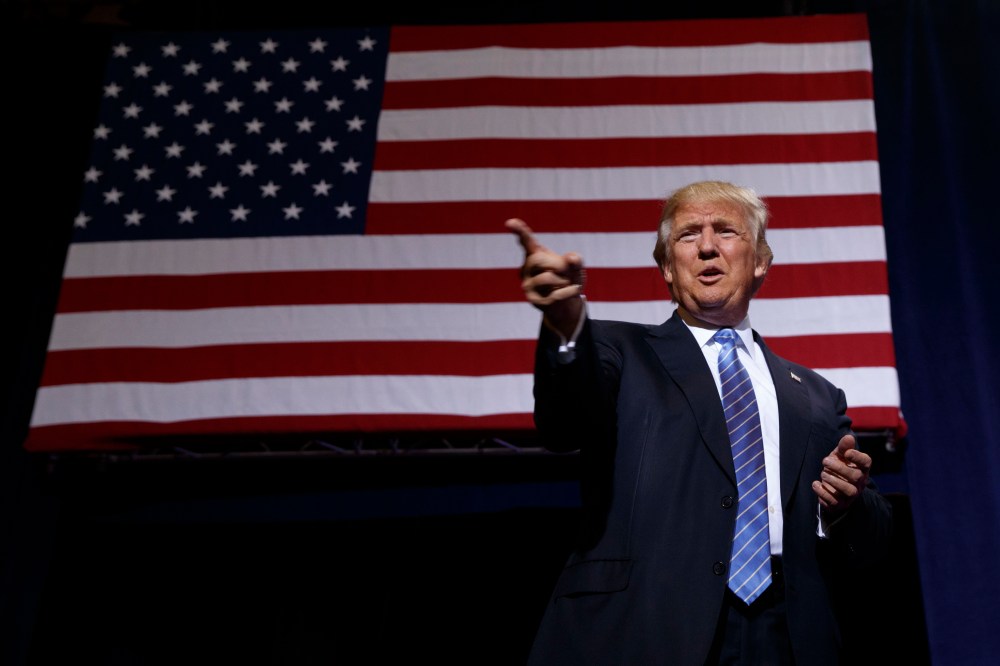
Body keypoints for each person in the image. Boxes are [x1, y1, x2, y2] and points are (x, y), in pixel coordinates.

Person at [506, 180, 892, 665]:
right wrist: (565, 329)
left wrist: (845, 507)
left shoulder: (815, 395)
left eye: (725, 230)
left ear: (761, 262)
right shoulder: (616, 351)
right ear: (668, 267)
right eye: (688, 235)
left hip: (787, 638)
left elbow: (873, 544)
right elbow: (563, 426)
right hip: (646, 626)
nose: (707, 245)